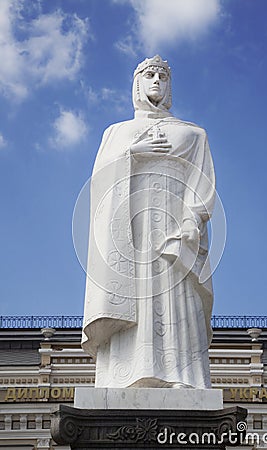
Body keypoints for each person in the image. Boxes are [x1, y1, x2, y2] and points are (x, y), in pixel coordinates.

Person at [82, 55, 216, 389]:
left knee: (176, 293)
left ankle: (181, 375)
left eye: (163, 76)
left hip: (173, 227)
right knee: (135, 290)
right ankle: (123, 375)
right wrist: (132, 152)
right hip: (131, 226)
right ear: (137, 83)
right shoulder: (117, 133)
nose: (156, 81)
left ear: (170, 86)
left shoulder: (193, 134)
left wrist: (191, 219)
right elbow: (99, 182)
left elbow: (203, 182)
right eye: (149, 75)